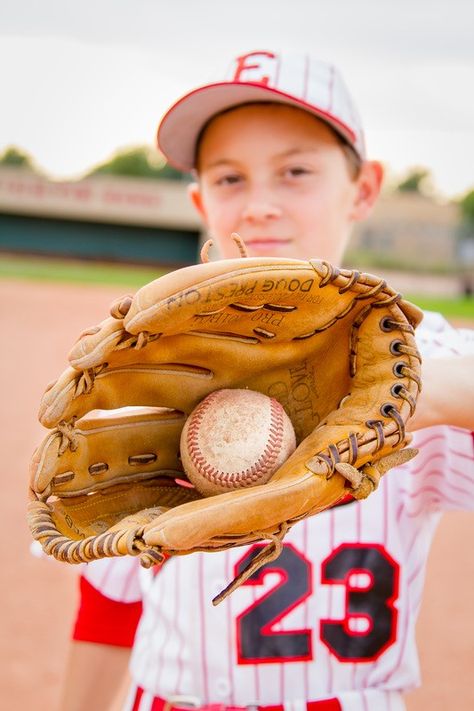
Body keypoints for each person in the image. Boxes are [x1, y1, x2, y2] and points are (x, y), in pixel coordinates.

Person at [58, 50, 474, 711]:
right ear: (200, 201)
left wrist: (415, 394)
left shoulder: (414, 353)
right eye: (229, 179)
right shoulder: (142, 376)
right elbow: (111, 599)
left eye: (295, 171)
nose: (258, 206)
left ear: (363, 188)